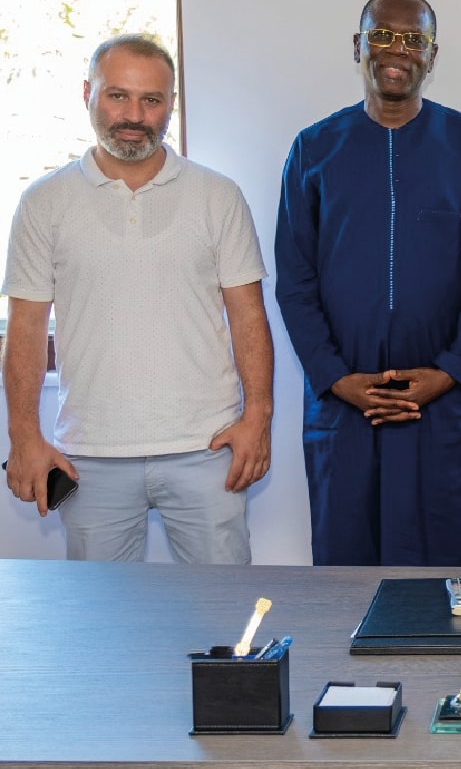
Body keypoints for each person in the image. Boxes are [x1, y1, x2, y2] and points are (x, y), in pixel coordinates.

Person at [2, 34, 273, 563]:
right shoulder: (43, 203)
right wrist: (23, 436)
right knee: (104, 613)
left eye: (151, 100)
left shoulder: (218, 196)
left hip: (207, 448)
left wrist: (258, 417)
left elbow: (248, 315)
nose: (134, 115)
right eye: (117, 96)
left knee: (223, 608)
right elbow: (27, 328)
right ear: (88, 93)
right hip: (90, 454)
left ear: (171, 104)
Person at [275, 0, 461, 566]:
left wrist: (449, 372)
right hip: (344, 405)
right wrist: (336, 378)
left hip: (444, 406)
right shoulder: (313, 150)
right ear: (358, 46)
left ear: (432, 55)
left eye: (414, 39)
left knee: (448, 580)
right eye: (382, 35)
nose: (397, 50)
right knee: (346, 579)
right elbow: (295, 281)